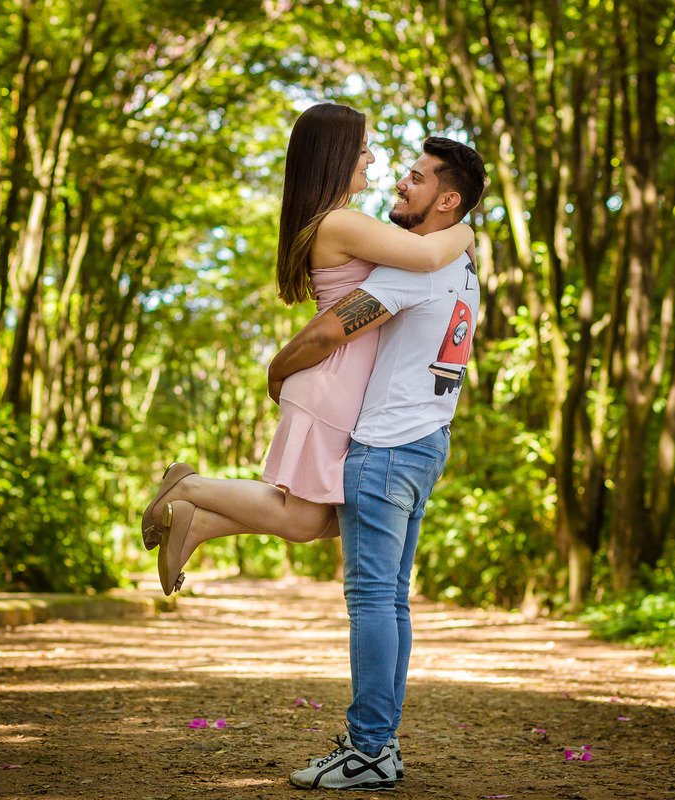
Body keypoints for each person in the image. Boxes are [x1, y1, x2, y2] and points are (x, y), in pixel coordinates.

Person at [141, 104, 473, 596]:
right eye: (362, 149)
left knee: (333, 516)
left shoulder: (342, 222)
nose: (372, 159)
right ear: (335, 155)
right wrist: (467, 229)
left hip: (341, 381)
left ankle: (199, 522)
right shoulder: (341, 223)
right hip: (333, 379)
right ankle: (187, 487)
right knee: (306, 519)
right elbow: (426, 256)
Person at [276, 136, 489, 791]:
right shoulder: (462, 270)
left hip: (387, 447)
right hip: (428, 442)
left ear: (446, 200)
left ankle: (369, 748)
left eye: (418, 178)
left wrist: (277, 372)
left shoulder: (412, 269)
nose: (401, 183)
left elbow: (325, 333)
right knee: (390, 601)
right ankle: (379, 747)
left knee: (371, 601)